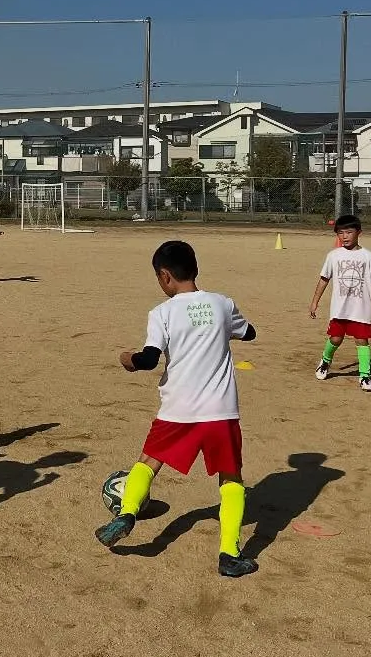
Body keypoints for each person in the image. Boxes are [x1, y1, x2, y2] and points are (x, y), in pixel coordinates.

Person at [95, 240, 260, 578]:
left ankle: (126, 513)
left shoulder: (162, 313)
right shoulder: (222, 304)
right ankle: (229, 554)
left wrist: (127, 359)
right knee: (231, 477)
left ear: (165, 276)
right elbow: (250, 333)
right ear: (194, 269)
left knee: (148, 462)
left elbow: (148, 359)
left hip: (178, 409)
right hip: (220, 410)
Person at [309, 214, 371, 393]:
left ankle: (364, 375)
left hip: (360, 309)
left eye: (349, 232)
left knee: (362, 340)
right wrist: (314, 302)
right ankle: (325, 361)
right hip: (339, 308)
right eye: (340, 233)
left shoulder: (368, 257)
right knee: (336, 339)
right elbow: (324, 279)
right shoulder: (333, 256)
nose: (344, 236)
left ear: (359, 232)